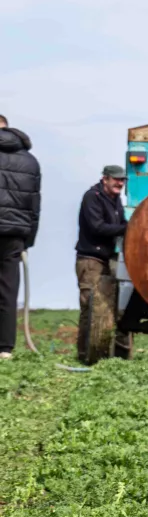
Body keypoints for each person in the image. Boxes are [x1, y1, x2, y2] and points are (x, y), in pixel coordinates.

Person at [76, 164, 129, 360]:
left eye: (122, 180)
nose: (120, 183)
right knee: (90, 306)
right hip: (90, 259)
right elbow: (97, 227)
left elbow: (121, 223)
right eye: (116, 179)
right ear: (105, 179)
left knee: (109, 308)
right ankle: (85, 354)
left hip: (107, 258)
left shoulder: (115, 200)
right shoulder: (93, 197)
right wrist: (125, 229)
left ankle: (109, 354)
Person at [0, 115, 42, 360]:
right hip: (15, 233)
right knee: (7, 291)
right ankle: (5, 348)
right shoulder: (30, 161)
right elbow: (35, 205)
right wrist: (29, 240)